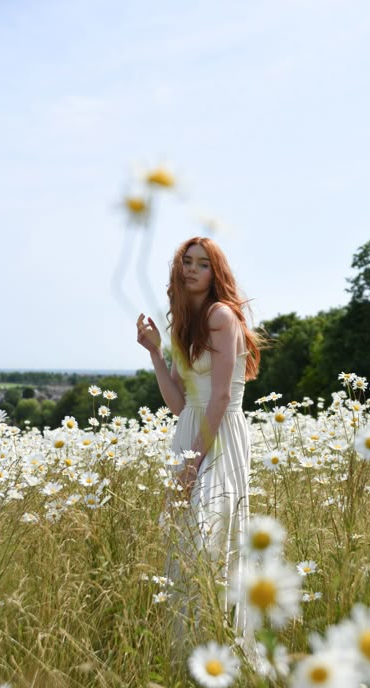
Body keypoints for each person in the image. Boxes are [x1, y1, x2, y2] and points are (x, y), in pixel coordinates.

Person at [136, 236, 261, 632]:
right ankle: (187, 651)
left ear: (215, 272)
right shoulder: (183, 327)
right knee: (185, 544)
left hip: (218, 434)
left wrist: (191, 467)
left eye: (202, 263)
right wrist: (156, 353)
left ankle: (223, 643)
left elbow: (221, 396)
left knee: (208, 537)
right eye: (186, 261)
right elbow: (177, 403)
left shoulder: (222, 316)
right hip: (190, 428)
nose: (191, 268)